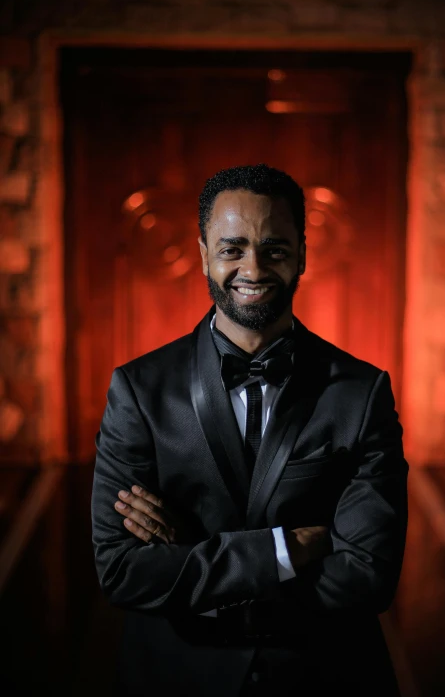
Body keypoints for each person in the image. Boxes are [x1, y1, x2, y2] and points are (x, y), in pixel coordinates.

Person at [91, 163, 408, 696]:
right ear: (202, 253)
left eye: (275, 248)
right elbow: (122, 569)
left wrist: (194, 560)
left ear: (302, 253)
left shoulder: (363, 391)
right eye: (232, 248)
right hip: (175, 677)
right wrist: (286, 551)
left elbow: (369, 574)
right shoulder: (137, 391)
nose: (253, 269)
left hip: (325, 677)